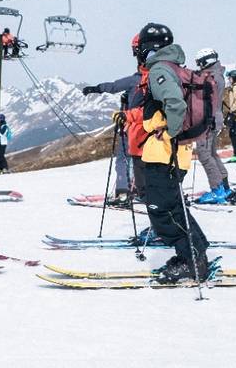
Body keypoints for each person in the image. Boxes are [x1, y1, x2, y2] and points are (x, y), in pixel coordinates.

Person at [137, 23, 209, 283]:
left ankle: (191, 261)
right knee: (173, 206)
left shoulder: (161, 70)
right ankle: (196, 252)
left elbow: (175, 103)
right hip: (172, 153)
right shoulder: (176, 68)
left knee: (161, 209)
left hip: (165, 153)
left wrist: (171, 133)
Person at [82, 34, 147, 203]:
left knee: (123, 158)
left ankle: (123, 191)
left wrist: (96, 88)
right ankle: (140, 189)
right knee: (141, 159)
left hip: (132, 125)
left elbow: (113, 86)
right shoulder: (156, 80)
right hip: (149, 126)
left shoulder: (136, 80)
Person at [193, 48, 236, 205]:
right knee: (212, 154)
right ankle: (224, 187)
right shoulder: (217, 75)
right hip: (214, 119)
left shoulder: (211, 78)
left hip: (207, 120)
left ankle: (217, 190)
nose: (198, 66)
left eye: (199, 63)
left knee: (204, 155)